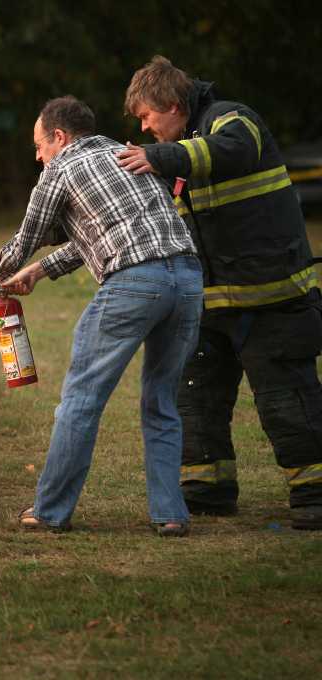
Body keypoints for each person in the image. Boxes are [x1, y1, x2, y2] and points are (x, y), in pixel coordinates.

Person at [0, 95, 203, 536]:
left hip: (134, 283)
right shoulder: (126, 153)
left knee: (81, 400)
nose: (37, 156)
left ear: (60, 137)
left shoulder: (61, 168)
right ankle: (170, 515)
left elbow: (21, 242)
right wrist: (42, 271)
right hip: (186, 279)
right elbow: (109, 229)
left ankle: (49, 512)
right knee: (162, 402)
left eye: (38, 145)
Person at [116, 56, 322, 530]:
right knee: (196, 399)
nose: (145, 129)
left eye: (147, 117)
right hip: (210, 304)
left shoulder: (232, 120)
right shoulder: (178, 151)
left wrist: (160, 158)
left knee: (287, 401)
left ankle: (314, 494)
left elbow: (231, 150)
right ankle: (208, 488)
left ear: (172, 104)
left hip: (272, 299)